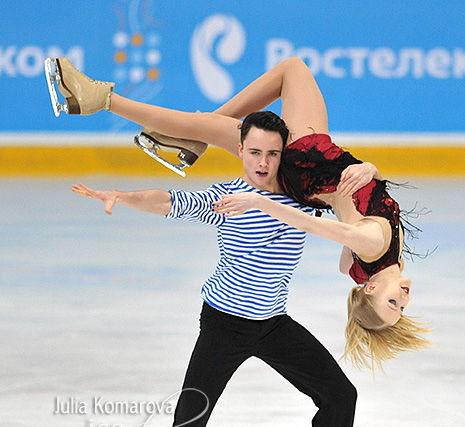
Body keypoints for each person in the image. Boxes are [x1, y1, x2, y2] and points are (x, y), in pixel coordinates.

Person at [72, 110, 363, 427]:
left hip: (273, 325)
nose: (263, 161)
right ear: (240, 150)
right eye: (254, 152)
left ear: (283, 154)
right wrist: (123, 196)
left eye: (272, 153)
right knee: (190, 420)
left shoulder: (303, 199)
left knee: (340, 397)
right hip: (223, 325)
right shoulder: (227, 197)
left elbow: (359, 198)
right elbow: (170, 201)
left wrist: (366, 172)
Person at [46, 56, 431, 369]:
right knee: (258, 92)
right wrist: (371, 170)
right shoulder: (364, 266)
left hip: (304, 165)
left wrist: (263, 202)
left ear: (370, 288)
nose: (405, 298)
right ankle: (193, 141)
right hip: (316, 167)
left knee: (263, 88)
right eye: (402, 306)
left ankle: (99, 99)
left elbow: (315, 226)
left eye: (392, 303)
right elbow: (354, 219)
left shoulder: (371, 244)